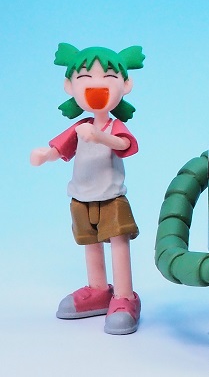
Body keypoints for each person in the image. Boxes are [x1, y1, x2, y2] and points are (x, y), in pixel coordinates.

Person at [31, 43, 145, 335]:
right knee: (90, 243)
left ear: (125, 85)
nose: (97, 86)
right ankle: (98, 290)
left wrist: (99, 137)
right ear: (69, 87)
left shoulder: (112, 127)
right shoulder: (80, 127)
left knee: (118, 243)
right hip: (81, 196)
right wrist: (45, 155)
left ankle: (124, 296)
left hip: (112, 197)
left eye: (108, 77)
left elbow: (125, 145)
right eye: (84, 78)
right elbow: (61, 148)